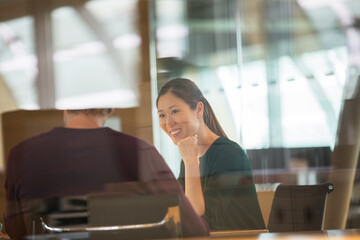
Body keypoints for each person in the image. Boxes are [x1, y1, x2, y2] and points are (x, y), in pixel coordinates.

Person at [4, 109, 209, 239]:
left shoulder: (22, 155)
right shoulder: (141, 153)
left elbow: (17, 231)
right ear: (109, 108)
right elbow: (194, 230)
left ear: (64, 105)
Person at [156, 78, 265, 230]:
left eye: (174, 111)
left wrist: (190, 162)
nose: (168, 123)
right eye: (162, 115)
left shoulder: (229, 154)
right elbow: (179, 213)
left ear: (199, 110)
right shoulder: (189, 157)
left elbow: (198, 218)